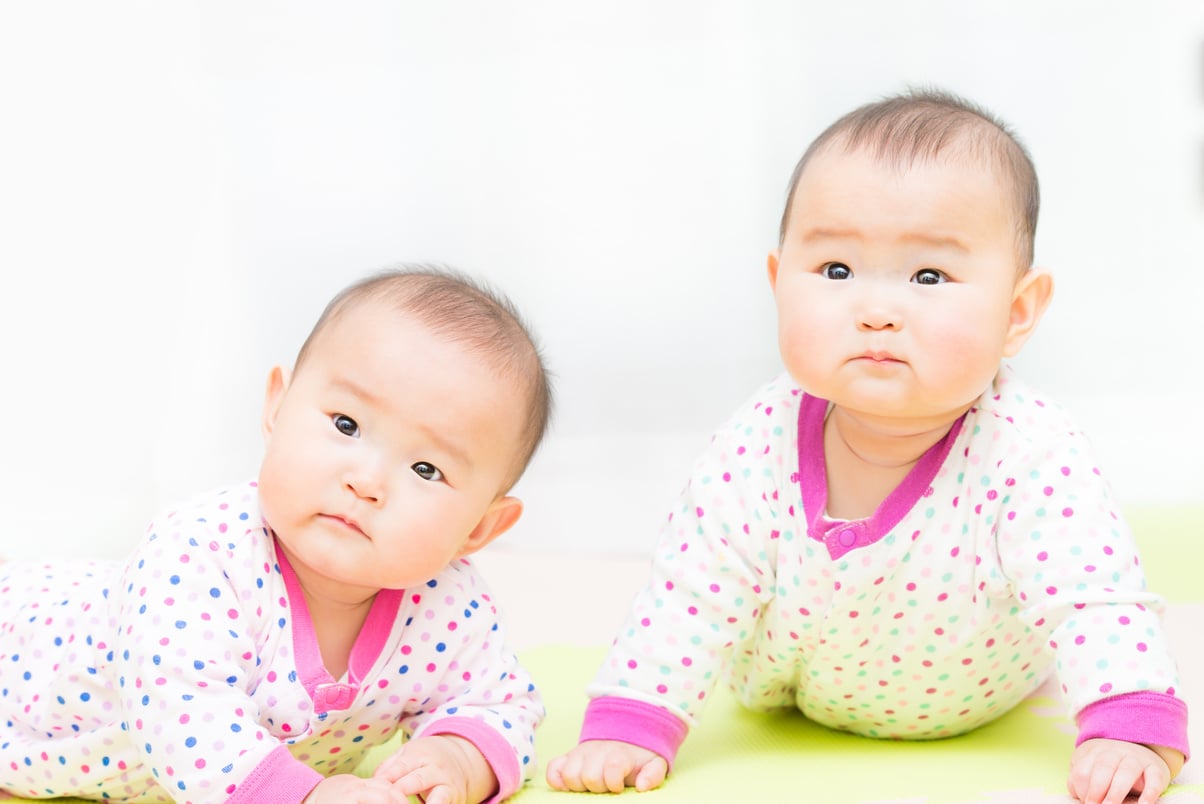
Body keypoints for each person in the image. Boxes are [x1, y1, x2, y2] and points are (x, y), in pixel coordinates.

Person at [545, 89, 1189, 804]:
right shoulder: (756, 443)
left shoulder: (1029, 451)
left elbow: (1092, 600)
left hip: (977, 698)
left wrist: (1127, 729)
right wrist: (633, 720)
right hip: (794, 694)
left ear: (1015, 314)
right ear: (778, 283)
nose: (877, 312)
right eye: (837, 272)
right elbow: (689, 592)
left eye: (929, 278)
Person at [0, 265, 553, 804]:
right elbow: (185, 712)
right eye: (347, 425)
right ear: (277, 406)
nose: (366, 482)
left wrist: (457, 755)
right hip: (25, 660)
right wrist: (305, 794)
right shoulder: (198, 554)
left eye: (426, 469)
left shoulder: (450, 607)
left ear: (479, 527)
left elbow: (499, 705)